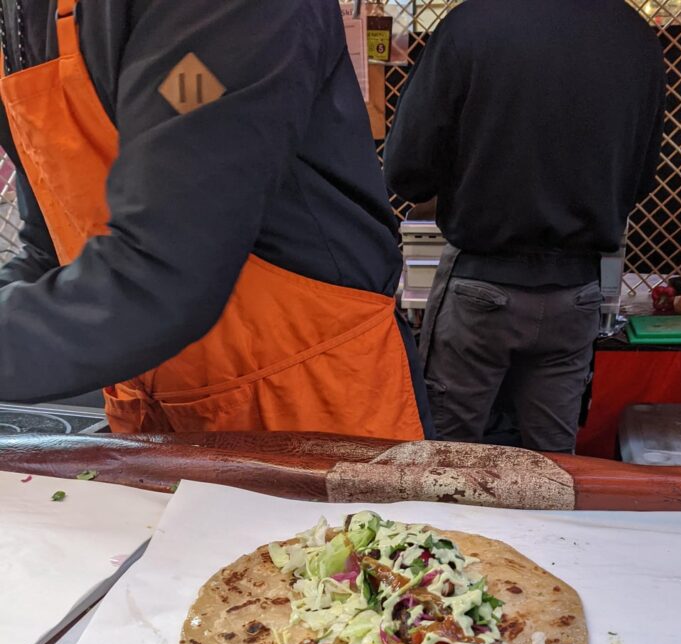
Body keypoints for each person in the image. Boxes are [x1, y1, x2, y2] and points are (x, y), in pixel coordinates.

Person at [0, 0, 430, 439]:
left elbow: (164, 273)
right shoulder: (21, 20)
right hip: (154, 412)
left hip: (309, 402)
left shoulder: (227, 13)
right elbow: (51, 247)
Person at [385, 0, 666, 453]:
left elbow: (406, 171)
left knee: (447, 462)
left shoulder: (470, 25)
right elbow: (641, 179)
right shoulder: (635, 35)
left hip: (481, 283)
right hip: (577, 291)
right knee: (553, 467)